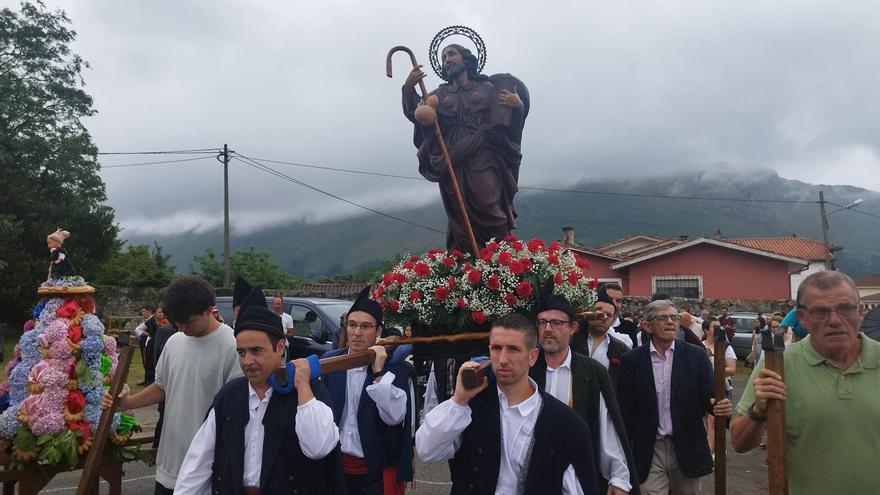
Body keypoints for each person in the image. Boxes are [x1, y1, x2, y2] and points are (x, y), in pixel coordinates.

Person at [174, 290, 344, 494]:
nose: (247, 361)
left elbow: (318, 447)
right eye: (241, 352)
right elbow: (198, 463)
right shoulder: (230, 395)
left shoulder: (309, 391)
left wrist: (303, 385)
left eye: (256, 351)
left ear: (280, 347)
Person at [731, 271, 880, 495]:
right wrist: (759, 410)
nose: (835, 320)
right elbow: (739, 443)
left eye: (845, 309)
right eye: (821, 312)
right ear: (802, 317)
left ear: (860, 312)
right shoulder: (778, 365)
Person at [416, 313, 599, 494]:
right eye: (496, 348)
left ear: (532, 357)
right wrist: (458, 400)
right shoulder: (472, 407)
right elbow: (427, 451)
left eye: (513, 349)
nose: (502, 359)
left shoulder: (565, 423)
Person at [102, 275, 242, 495]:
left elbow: (236, 410)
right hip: (169, 465)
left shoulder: (232, 346)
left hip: (207, 469)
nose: (183, 327)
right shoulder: (175, 342)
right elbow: (162, 387)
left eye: (189, 322)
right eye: (178, 322)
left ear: (209, 310)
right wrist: (126, 402)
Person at [402, 43, 527, 252]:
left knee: (489, 203)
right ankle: (466, 263)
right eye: (443, 57)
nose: (447, 59)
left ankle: (498, 259)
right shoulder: (438, 95)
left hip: (484, 153)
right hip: (453, 158)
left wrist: (518, 106)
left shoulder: (487, 88)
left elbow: (506, 124)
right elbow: (418, 115)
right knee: (460, 212)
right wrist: (408, 89)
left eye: (452, 54)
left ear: (466, 59)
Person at [530, 280, 639, 494]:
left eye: (556, 323)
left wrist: (618, 476)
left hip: (575, 471)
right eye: (542, 323)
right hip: (533, 470)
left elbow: (605, 424)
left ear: (573, 328)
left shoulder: (591, 371)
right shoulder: (527, 368)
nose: (548, 329)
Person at [616, 300, 733, 495]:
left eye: (674, 318)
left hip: (686, 444)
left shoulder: (695, 356)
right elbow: (625, 408)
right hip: (650, 447)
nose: (670, 322)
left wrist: (718, 406)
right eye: (662, 318)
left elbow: (710, 394)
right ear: (647, 326)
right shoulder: (632, 361)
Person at [322, 287, 413, 494]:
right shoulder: (330, 363)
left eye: (365, 326)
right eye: (352, 325)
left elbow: (394, 417)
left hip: (373, 473)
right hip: (335, 466)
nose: (356, 332)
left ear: (378, 331)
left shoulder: (394, 366)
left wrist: (379, 371)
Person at [572, 292, 631, 388]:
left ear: (613, 319)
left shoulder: (621, 349)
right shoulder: (571, 341)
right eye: (600, 313)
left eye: (609, 315)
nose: (604, 318)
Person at [700, 316, 736, 455]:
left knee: (713, 421)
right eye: (714, 327)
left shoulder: (725, 346)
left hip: (720, 387)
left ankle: (709, 455)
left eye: (718, 326)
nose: (718, 329)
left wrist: (712, 369)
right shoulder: (699, 346)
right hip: (703, 388)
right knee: (706, 422)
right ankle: (717, 447)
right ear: (706, 330)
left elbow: (732, 369)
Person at [135, 304, 158, 386]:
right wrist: (148, 334)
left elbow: (138, 329)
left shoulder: (153, 320)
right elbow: (137, 330)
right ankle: (147, 379)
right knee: (146, 361)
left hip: (153, 343)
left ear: (149, 312)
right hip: (147, 342)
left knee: (150, 361)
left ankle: (150, 379)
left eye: (144, 311)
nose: (143, 313)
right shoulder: (148, 321)